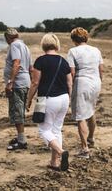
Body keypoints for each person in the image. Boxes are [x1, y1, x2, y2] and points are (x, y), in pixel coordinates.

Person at [26, 33, 72, 171]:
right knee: (56, 129)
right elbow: (70, 83)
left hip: (48, 99)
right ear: (56, 44)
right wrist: (69, 99)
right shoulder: (63, 61)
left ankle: (61, 152)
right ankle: (54, 162)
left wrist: (28, 100)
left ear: (44, 44)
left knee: (44, 130)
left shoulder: (40, 61)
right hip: (64, 98)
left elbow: (35, 83)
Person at [67, 27, 103, 159]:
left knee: (80, 116)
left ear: (73, 39)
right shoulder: (96, 50)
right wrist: (99, 82)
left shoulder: (72, 51)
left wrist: (69, 88)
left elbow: (72, 72)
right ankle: (91, 139)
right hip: (96, 82)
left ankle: (84, 149)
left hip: (82, 82)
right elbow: (101, 69)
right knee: (91, 110)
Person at [4, 28, 33, 150]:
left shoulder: (14, 45)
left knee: (17, 112)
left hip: (18, 83)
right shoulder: (25, 46)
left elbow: (16, 62)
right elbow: (31, 67)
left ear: (8, 38)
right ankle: (20, 137)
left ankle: (22, 141)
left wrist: (10, 82)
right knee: (19, 110)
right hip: (25, 81)